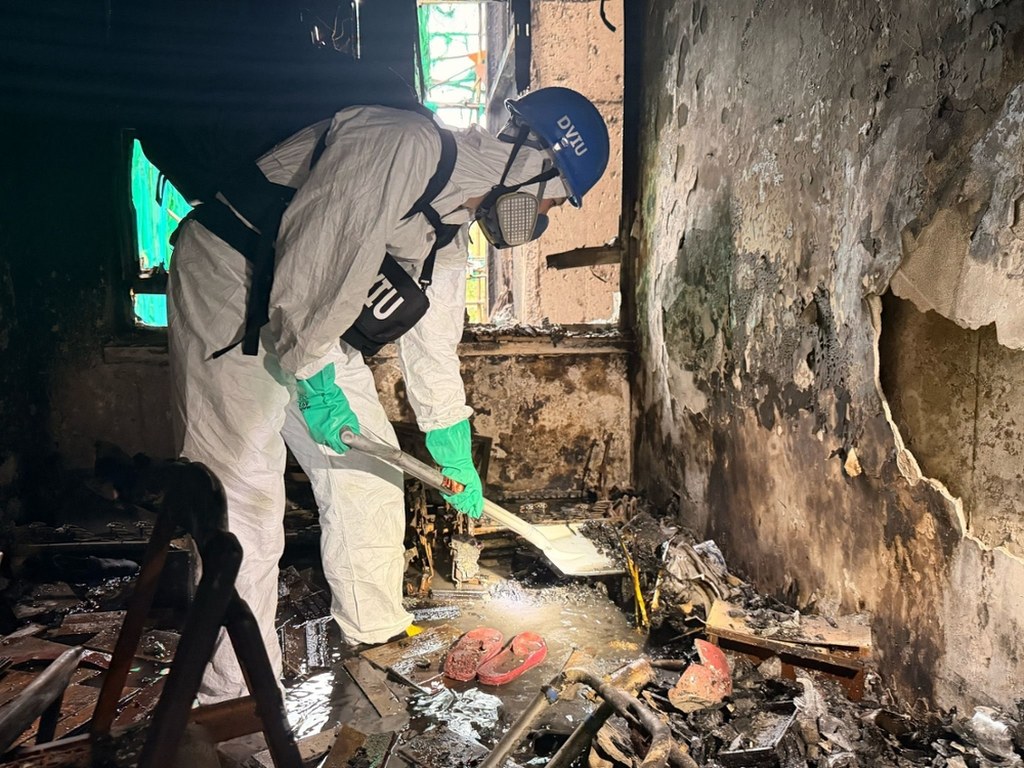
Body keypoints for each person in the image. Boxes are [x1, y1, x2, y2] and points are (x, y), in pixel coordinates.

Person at [167, 86, 610, 703]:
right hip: (233, 281)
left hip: (311, 315)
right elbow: (316, 256)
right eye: (553, 200)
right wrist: (315, 381)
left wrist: (451, 444)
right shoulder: (401, 143)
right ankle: (234, 697)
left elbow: (432, 348)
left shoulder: (449, 230)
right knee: (245, 502)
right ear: (534, 162)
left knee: (370, 472)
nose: (542, 218)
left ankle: (374, 630)